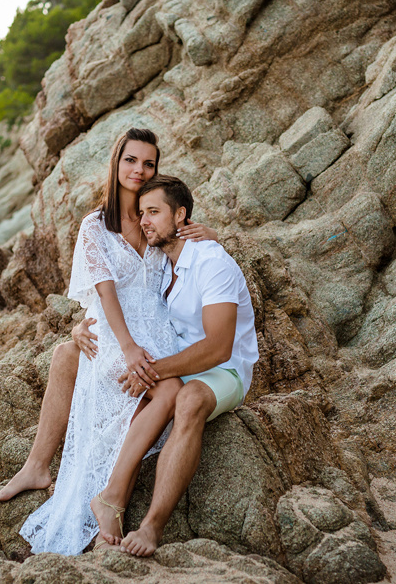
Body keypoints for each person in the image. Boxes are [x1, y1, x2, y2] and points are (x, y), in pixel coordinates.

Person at [0, 128, 215, 555]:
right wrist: (125, 347)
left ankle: (105, 491)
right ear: (116, 162)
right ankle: (58, 477)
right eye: (131, 160)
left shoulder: (155, 218)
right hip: (116, 331)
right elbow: (105, 292)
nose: (139, 170)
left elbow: (195, 258)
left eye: (148, 163)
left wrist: (210, 236)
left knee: (166, 387)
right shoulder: (95, 225)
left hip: (157, 329)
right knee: (88, 359)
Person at [115, 175, 258, 557]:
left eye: (154, 212)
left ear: (180, 215)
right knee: (122, 392)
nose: (145, 221)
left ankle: (151, 527)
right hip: (177, 364)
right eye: (141, 213)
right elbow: (115, 298)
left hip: (225, 369)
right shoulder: (160, 262)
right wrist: (82, 328)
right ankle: (109, 507)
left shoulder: (213, 263)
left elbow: (218, 347)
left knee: (189, 399)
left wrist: (154, 370)